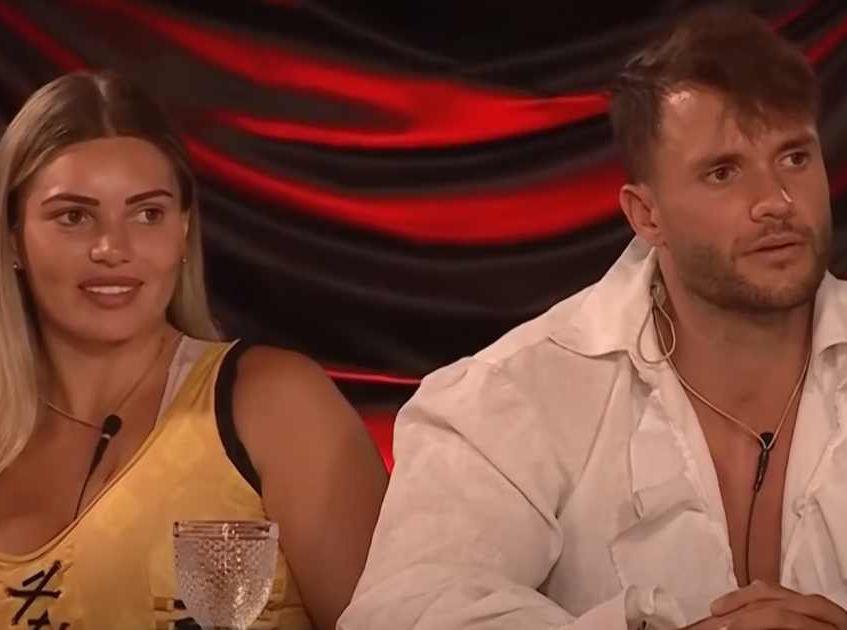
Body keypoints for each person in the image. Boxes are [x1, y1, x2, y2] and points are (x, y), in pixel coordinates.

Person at [338, 6, 847, 630]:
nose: (775, 201)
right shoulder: (513, 395)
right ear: (646, 215)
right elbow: (405, 613)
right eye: (723, 172)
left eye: (794, 158)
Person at [0, 70, 389, 630]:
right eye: (73, 216)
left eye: (147, 213)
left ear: (183, 231)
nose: (112, 247)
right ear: (11, 239)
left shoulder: (272, 405)